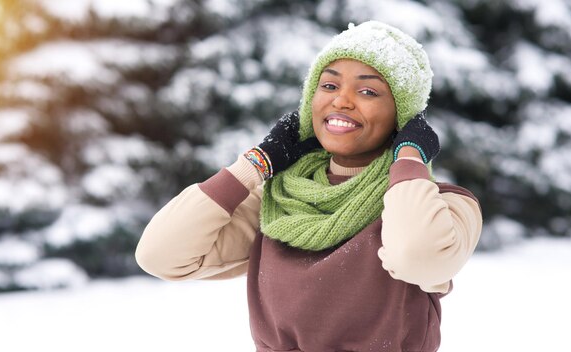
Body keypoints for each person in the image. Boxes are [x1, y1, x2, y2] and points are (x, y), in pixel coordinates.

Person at [135, 21, 482, 352]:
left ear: (402, 115)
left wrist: (408, 157)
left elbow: (417, 256)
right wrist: (256, 164)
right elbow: (160, 255)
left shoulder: (445, 207)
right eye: (329, 86)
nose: (341, 101)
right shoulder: (278, 202)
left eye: (368, 90)